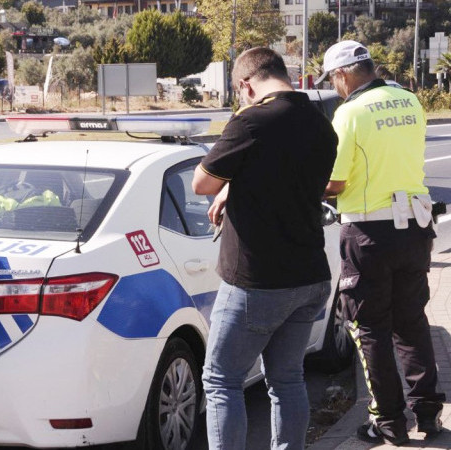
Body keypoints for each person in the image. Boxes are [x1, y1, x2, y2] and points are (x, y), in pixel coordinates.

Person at [192, 47, 338, 449]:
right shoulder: (321, 123)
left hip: (257, 281)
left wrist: (226, 182)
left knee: (221, 380)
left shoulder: (251, 120)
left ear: (246, 84)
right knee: (287, 379)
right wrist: (235, 186)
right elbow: (286, 178)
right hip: (310, 275)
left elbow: (201, 183)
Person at [320, 40, 445, 446]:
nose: (335, 87)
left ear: (342, 75)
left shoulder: (349, 112)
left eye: (333, 80)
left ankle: (388, 421)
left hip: (369, 233)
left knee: (369, 327)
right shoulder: (410, 101)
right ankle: (428, 412)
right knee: (411, 322)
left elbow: (336, 182)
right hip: (415, 228)